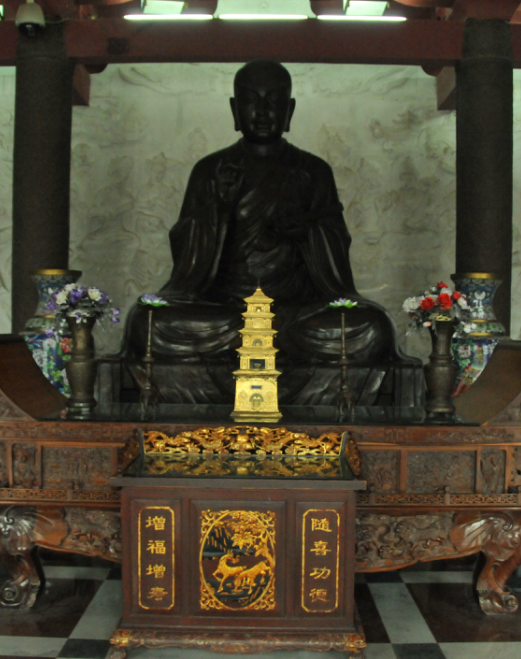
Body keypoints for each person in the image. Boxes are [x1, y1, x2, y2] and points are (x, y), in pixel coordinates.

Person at [117, 60, 411, 404]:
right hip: (225, 312)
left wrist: (306, 231)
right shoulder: (211, 170)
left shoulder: (313, 171)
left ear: (290, 109)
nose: (261, 111)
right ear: (234, 109)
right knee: (147, 321)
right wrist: (218, 210)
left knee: (373, 326)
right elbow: (186, 260)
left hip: (296, 314)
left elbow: (335, 254)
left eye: (273, 101)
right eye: (250, 100)